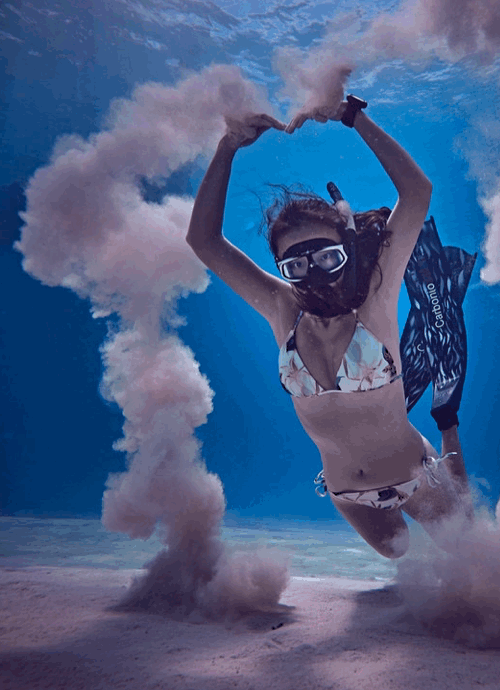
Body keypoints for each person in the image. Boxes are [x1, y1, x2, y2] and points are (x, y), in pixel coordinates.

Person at [186, 96, 471, 558]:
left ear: (348, 251)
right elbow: (204, 241)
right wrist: (228, 144)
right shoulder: (281, 307)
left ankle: (448, 430)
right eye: (297, 266)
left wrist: (350, 115)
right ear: (282, 268)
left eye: (327, 258)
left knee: (469, 551)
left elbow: (417, 193)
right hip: (346, 494)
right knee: (396, 551)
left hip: (417, 477)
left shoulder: (376, 297)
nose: (315, 276)